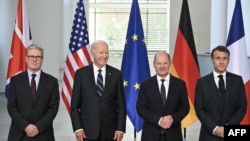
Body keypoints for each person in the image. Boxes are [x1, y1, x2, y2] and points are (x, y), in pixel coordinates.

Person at [70, 40, 127, 141]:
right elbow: (74, 106)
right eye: (101, 52)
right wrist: (78, 128)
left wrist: (120, 129)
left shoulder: (116, 74)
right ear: (93, 54)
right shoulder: (81, 74)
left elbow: (121, 105)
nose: (104, 56)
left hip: (110, 131)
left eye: (106, 52)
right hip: (87, 132)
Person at [7, 44, 60, 141]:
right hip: (19, 134)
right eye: (31, 56)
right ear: (26, 59)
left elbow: (53, 108)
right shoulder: (15, 80)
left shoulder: (52, 82)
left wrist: (38, 127)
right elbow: (11, 106)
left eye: (38, 57)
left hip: (43, 134)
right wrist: (25, 126)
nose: (34, 59)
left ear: (42, 59)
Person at [194, 45, 247, 141]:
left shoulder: (237, 80)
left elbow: (242, 106)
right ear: (212, 60)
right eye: (218, 58)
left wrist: (227, 128)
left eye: (225, 58)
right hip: (208, 135)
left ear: (228, 60)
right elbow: (199, 109)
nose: (221, 62)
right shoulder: (202, 82)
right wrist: (215, 129)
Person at [136, 51, 190, 141]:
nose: (162, 66)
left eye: (165, 63)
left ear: (170, 64)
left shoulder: (180, 84)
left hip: (173, 135)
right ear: (154, 64)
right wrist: (159, 120)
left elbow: (185, 107)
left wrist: (172, 119)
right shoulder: (145, 85)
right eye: (159, 63)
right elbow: (141, 108)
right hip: (151, 135)